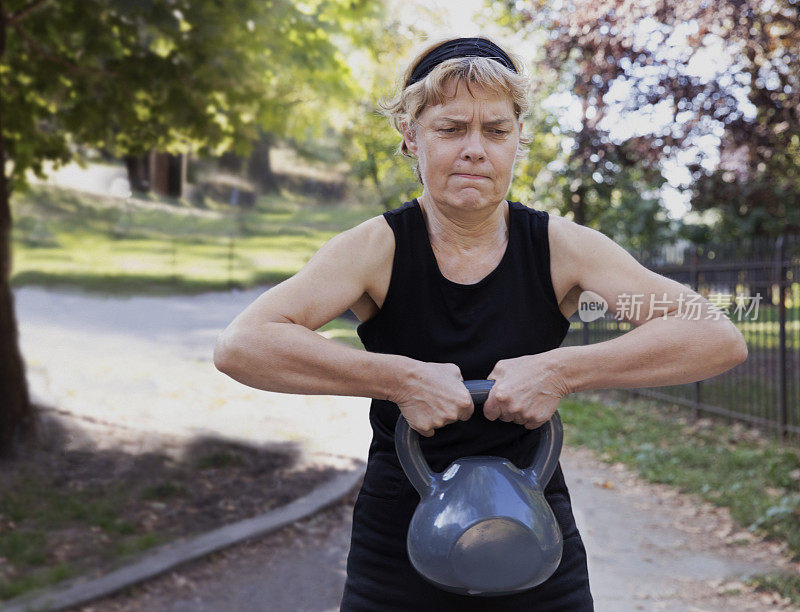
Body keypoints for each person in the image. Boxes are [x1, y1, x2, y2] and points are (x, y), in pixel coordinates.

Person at [214, 36, 748, 611]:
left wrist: (561, 370)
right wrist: (401, 380)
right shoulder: (374, 249)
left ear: (519, 141)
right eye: (450, 129)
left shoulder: (562, 247)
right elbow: (244, 344)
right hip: (399, 540)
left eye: (495, 131)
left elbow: (713, 334)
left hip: (535, 530)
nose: (475, 149)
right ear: (410, 135)